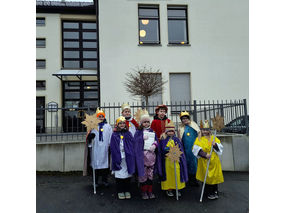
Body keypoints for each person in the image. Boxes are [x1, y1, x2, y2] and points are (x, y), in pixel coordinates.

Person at [192, 120, 224, 200]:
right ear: (201, 130)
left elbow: (220, 147)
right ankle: (207, 192)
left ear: (209, 130)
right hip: (204, 161)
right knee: (205, 177)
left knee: (213, 177)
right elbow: (195, 149)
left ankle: (214, 191)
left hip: (213, 161)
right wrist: (204, 154)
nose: (205, 131)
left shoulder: (214, 138)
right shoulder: (199, 139)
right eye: (203, 130)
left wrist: (215, 145)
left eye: (206, 130)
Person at [157, 120, 188, 198]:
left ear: (174, 132)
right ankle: (169, 189)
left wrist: (176, 153)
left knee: (177, 173)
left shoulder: (177, 140)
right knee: (168, 175)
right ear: (166, 132)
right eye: (169, 131)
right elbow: (161, 150)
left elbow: (181, 149)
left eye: (172, 131)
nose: (170, 133)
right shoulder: (163, 140)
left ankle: (177, 188)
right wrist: (167, 150)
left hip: (176, 161)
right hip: (167, 162)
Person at [134, 110, 158, 199]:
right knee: (143, 174)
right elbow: (135, 142)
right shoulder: (138, 132)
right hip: (142, 156)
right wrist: (141, 138)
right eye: (144, 122)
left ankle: (150, 191)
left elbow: (156, 140)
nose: (146, 124)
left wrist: (155, 145)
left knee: (150, 174)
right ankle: (144, 192)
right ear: (141, 123)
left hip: (151, 155)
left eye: (148, 122)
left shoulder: (152, 131)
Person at [110, 116, 136, 200]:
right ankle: (120, 191)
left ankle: (127, 190)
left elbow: (132, 144)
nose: (122, 125)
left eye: (123, 123)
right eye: (120, 123)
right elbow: (113, 147)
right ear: (117, 125)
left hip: (127, 158)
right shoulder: (114, 135)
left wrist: (130, 153)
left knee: (127, 175)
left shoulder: (128, 134)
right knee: (119, 176)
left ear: (125, 124)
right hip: (118, 158)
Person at [86, 108, 112, 187]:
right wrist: (90, 137)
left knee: (105, 165)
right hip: (96, 149)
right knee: (96, 165)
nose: (101, 118)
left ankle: (104, 180)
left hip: (104, 149)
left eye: (102, 116)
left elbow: (110, 136)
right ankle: (95, 181)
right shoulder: (93, 126)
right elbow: (88, 137)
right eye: (99, 116)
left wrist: (110, 145)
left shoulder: (108, 126)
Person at [177, 111, 200, 187]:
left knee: (194, 164)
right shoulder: (180, 127)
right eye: (183, 119)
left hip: (194, 148)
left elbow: (199, 134)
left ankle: (194, 179)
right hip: (185, 149)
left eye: (186, 118)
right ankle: (187, 179)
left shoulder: (194, 125)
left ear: (188, 118)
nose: (184, 120)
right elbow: (179, 138)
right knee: (186, 163)